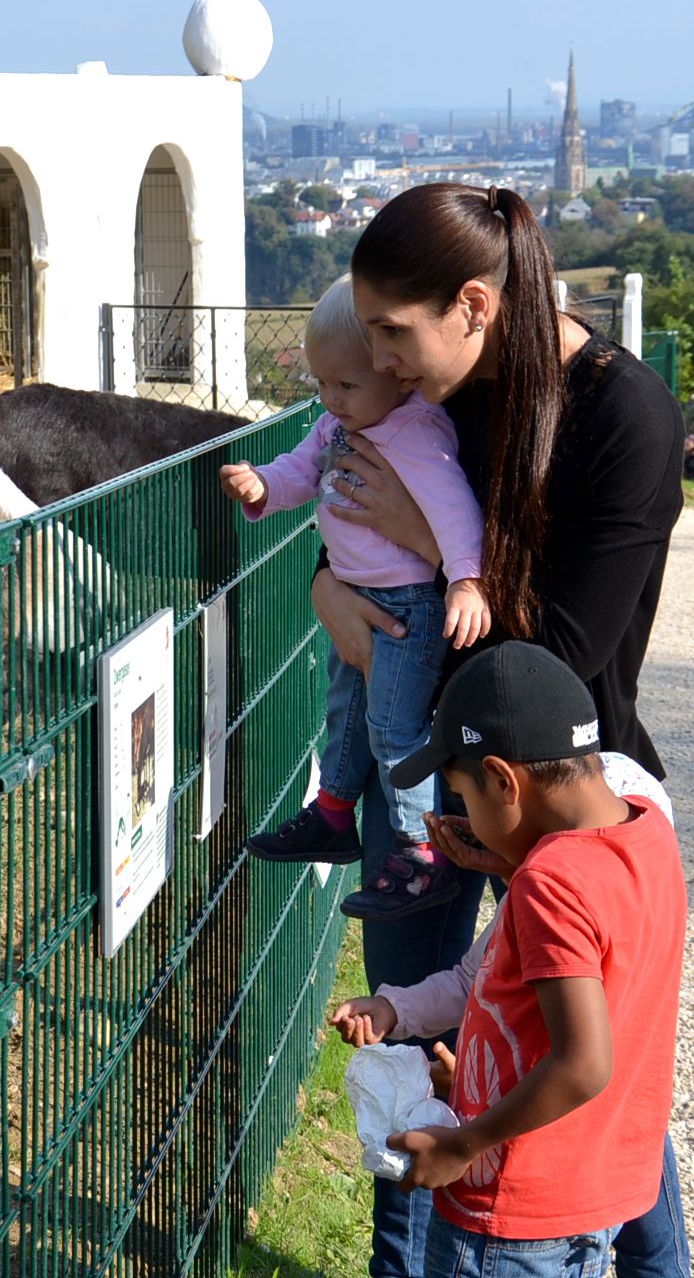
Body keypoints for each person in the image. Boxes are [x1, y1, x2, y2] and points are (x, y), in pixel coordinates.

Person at [312, 182, 689, 1277]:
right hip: (431, 777)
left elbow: (557, 658)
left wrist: (412, 561)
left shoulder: (625, 417)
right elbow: (351, 524)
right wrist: (331, 588)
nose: (378, 364)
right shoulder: (441, 393)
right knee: (417, 1050)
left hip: (558, 794)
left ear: (475, 305)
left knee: (588, 1074)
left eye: (394, 333)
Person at [329, 644, 687, 1278]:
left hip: (511, 1212)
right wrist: (509, 863)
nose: (464, 813)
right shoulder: (648, 829)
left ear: (502, 780)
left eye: (464, 793)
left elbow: (583, 1063)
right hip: (594, 1191)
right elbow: (596, 929)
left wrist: (464, 1143)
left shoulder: (551, 884)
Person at [223, 276, 493, 920]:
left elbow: (457, 513)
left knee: (397, 731)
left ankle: (417, 853)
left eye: (345, 385)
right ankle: (334, 813)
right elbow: (299, 469)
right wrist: (263, 486)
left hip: (408, 608)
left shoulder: (416, 431)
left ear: (395, 374)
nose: (330, 400)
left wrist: (465, 578)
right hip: (357, 594)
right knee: (345, 710)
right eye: (321, 384)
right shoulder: (339, 422)